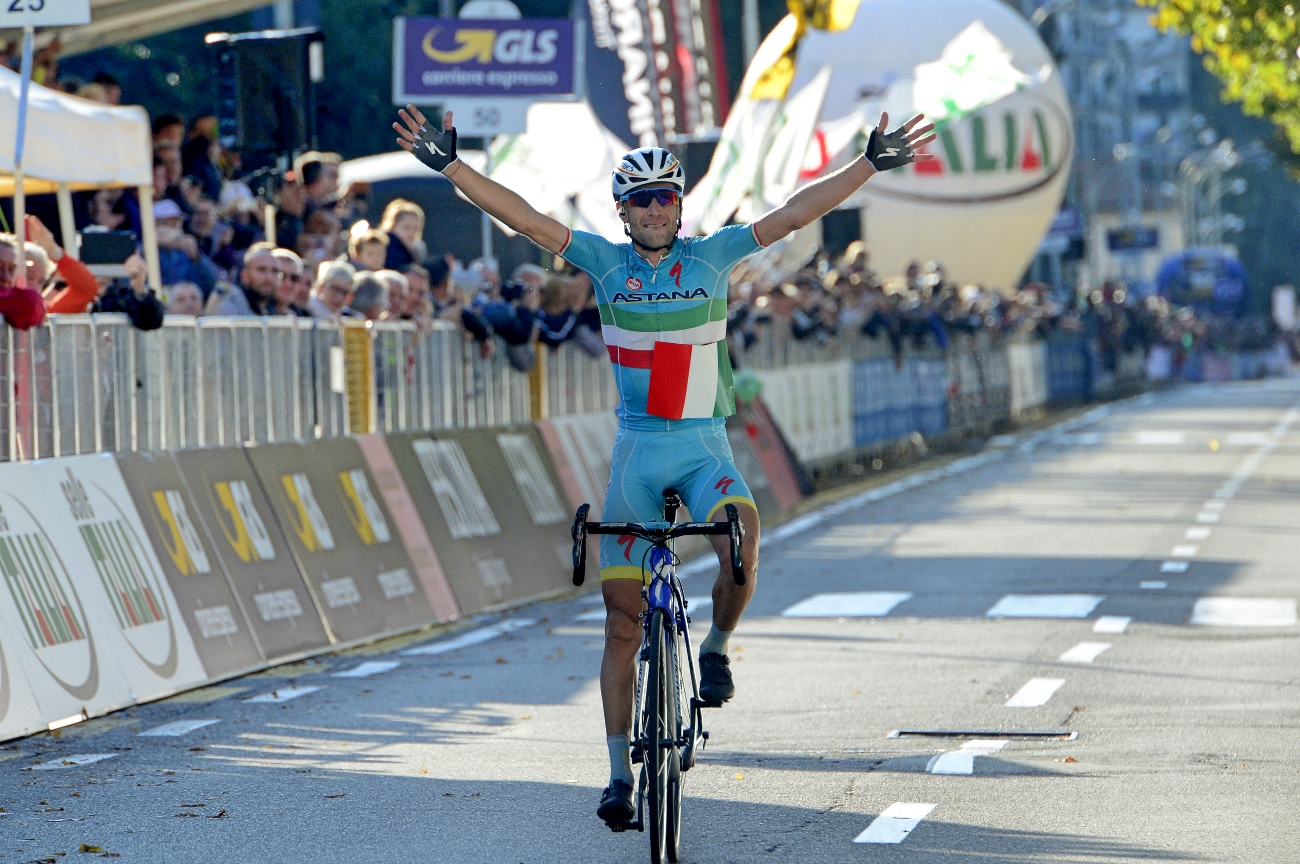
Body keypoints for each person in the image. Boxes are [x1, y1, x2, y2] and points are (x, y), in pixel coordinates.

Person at [394, 103, 936, 828]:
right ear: (622, 211)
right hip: (639, 452)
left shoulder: (710, 257)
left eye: (665, 197)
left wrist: (867, 163)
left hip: (702, 445)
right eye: (640, 200)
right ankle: (619, 774)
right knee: (622, 624)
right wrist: (454, 167)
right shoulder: (601, 261)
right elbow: (521, 215)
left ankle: (714, 646)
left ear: (680, 205)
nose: (654, 209)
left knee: (741, 541)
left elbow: (794, 211)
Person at [205, 243, 281, 316]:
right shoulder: (227, 306)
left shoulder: (272, 311)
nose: (269, 278)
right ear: (245, 275)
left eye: (275, 271)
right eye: (261, 270)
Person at [380, 199, 425, 271]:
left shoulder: (416, 252)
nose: (411, 233)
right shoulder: (387, 250)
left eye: (416, 229)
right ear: (392, 226)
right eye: (406, 228)